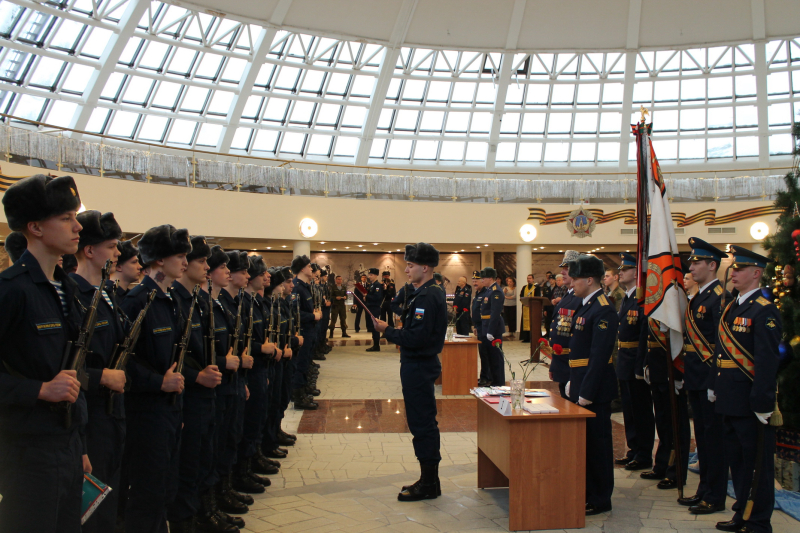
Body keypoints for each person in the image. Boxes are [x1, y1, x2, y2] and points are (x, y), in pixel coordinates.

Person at [0, 175, 86, 532]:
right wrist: (37, 389)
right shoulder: (11, 291)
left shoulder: (66, 289)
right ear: (34, 227)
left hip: (65, 443)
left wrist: (79, 446)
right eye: (65, 218)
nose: (78, 226)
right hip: (26, 450)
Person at [121, 224, 191, 532]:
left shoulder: (169, 299)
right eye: (179, 255)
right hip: (145, 412)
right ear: (159, 260)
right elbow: (122, 360)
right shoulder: (137, 300)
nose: (185, 263)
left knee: (166, 486)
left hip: (168, 410)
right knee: (147, 492)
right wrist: (157, 383)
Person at [709, 246, 781, 533]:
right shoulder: (733, 306)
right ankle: (742, 513)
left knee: (757, 465)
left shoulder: (764, 311)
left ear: (756, 273)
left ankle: (758, 520)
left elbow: (767, 360)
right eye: (733, 268)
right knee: (737, 463)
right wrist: (714, 386)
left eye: (739, 269)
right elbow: (720, 353)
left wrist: (763, 403)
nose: (733, 272)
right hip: (729, 398)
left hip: (750, 402)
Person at [372, 242, 446, 502]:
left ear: (425, 268)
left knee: (422, 423)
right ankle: (429, 480)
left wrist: (386, 331)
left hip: (419, 364)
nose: (406, 269)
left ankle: (429, 483)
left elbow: (417, 337)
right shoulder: (423, 291)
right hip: (417, 364)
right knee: (421, 422)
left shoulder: (428, 295)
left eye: (411, 265)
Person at [167, 236, 231, 533]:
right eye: (201, 261)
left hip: (207, 395)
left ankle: (205, 510)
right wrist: (196, 377)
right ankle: (186, 521)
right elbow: (171, 360)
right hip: (186, 398)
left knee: (205, 457)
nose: (207, 267)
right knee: (188, 464)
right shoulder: (173, 301)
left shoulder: (199, 300)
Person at [71, 210, 127, 533]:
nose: (118, 253)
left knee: (109, 502)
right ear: (89, 250)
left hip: (112, 415)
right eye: (111, 246)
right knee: (92, 512)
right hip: (90, 416)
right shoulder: (75, 295)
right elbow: (67, 367)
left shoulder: (105, 296)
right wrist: (101, 376)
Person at [676, 237, 730, 515]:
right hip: (696, 377)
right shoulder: (699, 296)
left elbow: (723, 345)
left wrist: (713, 382)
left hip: (710, 379)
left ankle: (715, 495)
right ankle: (704, 489)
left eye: (697, 262)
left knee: (713, 439)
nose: (691, 266)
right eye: (692, 262)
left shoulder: (720, 298)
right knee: (704, 438)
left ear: (712, 265)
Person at [564, 254, 619, 516]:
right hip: (581, 383)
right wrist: (573, 383)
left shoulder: (603, 307)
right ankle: (588, 491)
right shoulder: (586, 305)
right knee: (586, 444)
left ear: (589, 279)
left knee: (597, 445)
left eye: (575, 278)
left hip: (594, 390)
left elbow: (599, 356)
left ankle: (600, 497)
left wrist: (585, 391)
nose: (571, 282)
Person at [613, 253, 655, 473]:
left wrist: (641, 367)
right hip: (624, 361)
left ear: (637, 273)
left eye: (625, 269)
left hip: (635, 363)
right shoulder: (628, 298)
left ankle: (644, 453)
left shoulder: (642, 298)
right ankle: (633, 449)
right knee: (629, 411)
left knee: (641, 411)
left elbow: (643, 336)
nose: (620, 272)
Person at [548, 252, 581, 398]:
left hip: (572, 362)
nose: (562, 272)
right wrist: (554, 363)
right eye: (563, 268)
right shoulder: (568, 294)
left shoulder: (580, 297)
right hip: (561, 360)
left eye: (567, 268)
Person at [291, 255, 322, 410]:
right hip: (302, 330)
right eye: (309, 266)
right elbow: (295, 313)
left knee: (306, 361)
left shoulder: (305, 286)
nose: (312, 269)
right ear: (302, 268)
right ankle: (299, 396)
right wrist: (313, 316)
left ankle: (304, 389)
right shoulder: (297, 287)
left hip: (309, 330)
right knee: (301, 363)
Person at [479, 268, 505, 386]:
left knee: (496, 359)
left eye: (483, 278)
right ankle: (493, 381)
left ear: (490, 278)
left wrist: (491, 331)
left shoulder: (496, 291)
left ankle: (499, 383)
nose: (482, 280)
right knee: (489, 358)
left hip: (492, 329)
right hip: (486, 327)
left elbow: (495, 313)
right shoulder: (488, 290)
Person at [470, 271, 491, 386]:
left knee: (485, 353)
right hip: (479, 326)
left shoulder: (487, 293)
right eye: (473, 281)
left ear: (482, 281)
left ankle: (486, 377)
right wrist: (475, 325)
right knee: (482, 353)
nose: (474, 283)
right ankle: (484, 376)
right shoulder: (477, 294)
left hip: (485, 327)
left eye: (476, 281)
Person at [364, 268, 384, 352]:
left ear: (376, 275)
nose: (369, 276)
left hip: (374, 308)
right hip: (370, 307)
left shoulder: (377, 285)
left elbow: (377, 297)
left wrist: (367, 296)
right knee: (372, 327)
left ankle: (376, 345)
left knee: (375, 327)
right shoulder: (372, 285)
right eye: (369, 275)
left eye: (371, 275)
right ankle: (375, 344)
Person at [519, 274, 541, 343]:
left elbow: (538, 297)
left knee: (533, 321)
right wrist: (524, 303)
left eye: (530, 278)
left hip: (533, 308)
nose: (529, 280)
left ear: (533, 279)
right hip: (525, 306)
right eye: (528, 278)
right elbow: (521, 296)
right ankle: (526, 337)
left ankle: (533, 337)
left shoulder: (536, 287)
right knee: (525, 322)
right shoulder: (524, 287)